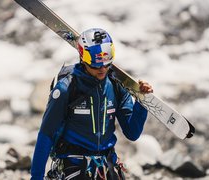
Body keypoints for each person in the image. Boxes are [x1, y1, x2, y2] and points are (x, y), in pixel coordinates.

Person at [31, 28, 153, 180]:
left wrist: (142, 101)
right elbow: (46, 134)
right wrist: (36, 177)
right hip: (73, 166)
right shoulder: (65, 89)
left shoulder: (116, 86)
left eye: (107, 63)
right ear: (84, 58)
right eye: (96, 65)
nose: (102, 69)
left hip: (106, 165)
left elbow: (132, 132)